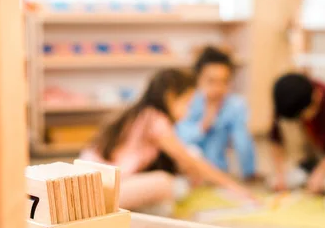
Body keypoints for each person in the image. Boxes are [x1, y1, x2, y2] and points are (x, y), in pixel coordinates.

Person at [80, 68, 254, 213]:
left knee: (171, 180)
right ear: (171, 97)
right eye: (187, 103)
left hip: (94, 184)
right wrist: (233, 186)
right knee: (165, 183)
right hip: (99, 193)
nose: (187, 111)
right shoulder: (156, 120)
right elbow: (189, 160)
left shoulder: (141, 113)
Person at [176, 46, 259, 181]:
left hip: (218, 171)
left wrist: (249, 172)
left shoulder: (234, 105)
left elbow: (243, 142)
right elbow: (178, 141)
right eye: (211, 81)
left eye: (224, 82)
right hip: (188, 172)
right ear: (198, 79)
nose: (218, 88)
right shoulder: (187, 102)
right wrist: (203, 125)